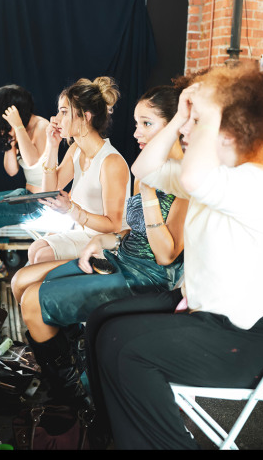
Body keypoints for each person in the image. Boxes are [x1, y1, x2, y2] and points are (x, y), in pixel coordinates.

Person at [84, 62, 263, 449]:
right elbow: (145, 168)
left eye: (198, 122)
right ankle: (112, 435)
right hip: (207, 317)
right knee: (103, 323)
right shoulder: (218, 176)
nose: (188, 129)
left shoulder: (257, 181)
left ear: (234, 127)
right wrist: (180, 117)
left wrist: (205, 108)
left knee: (129, 353)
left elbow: (191, 178)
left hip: (247, 339)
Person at [11, 81, 189, 402]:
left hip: (146, 279)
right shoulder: (143, 168)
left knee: (32, 301)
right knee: (22, 279)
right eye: (137, 124)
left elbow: (164, 256)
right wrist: (104, 241)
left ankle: (70, 397)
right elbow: (126, 230)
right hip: (119, 255)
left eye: (146, 124)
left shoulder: (182, 179)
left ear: (175, 125)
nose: (136, 133)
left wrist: (145, 194)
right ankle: (71, 363)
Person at [21, 76, 130, 265]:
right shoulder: (76, 150)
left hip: (106, 242)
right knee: (35, 248)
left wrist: (71, 209)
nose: (56, 119)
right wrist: (52, 146)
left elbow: (112, 225)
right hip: (81, 232)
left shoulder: (111, 162)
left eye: (64, 112)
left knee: (41, 256)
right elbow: (50, 191)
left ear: (85, 117)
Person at [0, 84, 50, 279]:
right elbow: (12, 171)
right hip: (25, 196)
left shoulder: (42, 126)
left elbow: (32, 160)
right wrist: (10, 142)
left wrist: (19, 128)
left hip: (39, 202)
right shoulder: (18, 129)